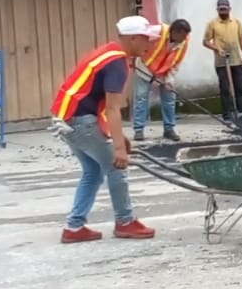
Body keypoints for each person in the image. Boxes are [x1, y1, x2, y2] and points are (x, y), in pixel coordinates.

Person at [49, 15, 160, 244]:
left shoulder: (107, 52)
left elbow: (96, 102)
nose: (150, 44)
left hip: (66, 118)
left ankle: (74, 226)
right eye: (146, 39)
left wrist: (118, 137)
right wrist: (119, 148)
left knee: (92, 171)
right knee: (116, 167)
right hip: (80, 121)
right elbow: (112, 109)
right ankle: (125, 222)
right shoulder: (117, 63)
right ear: (132, 38)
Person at [133, 19, 191, 142]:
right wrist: (133, 55)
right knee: (141, 97)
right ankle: (139, 130)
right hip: (145, 68)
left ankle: (169, 129)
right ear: (175, 32)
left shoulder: (184, 43)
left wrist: (169, 79)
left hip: (164, 72)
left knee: (169, 99)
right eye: (183, 35)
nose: (185, 38)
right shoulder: (157, 31)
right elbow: (139, 40)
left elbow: (176, 63)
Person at [203, 0, 242, 125]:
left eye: (225, 9)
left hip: (236, 61)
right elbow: (205, 42)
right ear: (217, 10)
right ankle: (227, 115)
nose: (223, 11)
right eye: (220, 9)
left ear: (229, 9)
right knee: (225, 89)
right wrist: (217, 48)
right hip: (221, 63)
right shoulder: (212, 24)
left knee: (239, 88)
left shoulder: (236, 22)